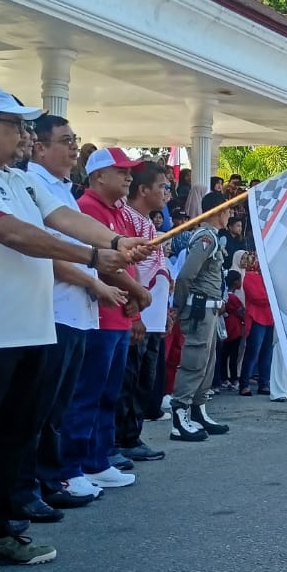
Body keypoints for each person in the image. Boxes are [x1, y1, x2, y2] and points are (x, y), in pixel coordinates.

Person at [0, 88, 141, 572]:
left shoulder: (20, 179)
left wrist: (114, 242)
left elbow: (62, 216)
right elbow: (11, 233)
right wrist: (94, 259)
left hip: (33, 327)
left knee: (16, 433)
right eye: (15, 125)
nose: (26, 135)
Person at [18, 115, 127, 516]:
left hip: (75, 311)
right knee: (43, 407)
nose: (72, 148)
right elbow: (46, 251)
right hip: (53, 310)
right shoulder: (31, 184)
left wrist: (116, 248)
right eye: (65, 141)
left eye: (74, 140)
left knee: (60, 404)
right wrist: (97, 280)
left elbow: (77, 234)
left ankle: (52, 477)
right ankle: (41, 480)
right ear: (40, 148)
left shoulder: (60, 190)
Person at [62, 148, 155, 490]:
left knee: (107, 392)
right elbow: (106, 264)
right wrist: (137, 292)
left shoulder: (117, 212)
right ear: (98, 175)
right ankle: (75, 464)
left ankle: (98, 458)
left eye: (130, 171)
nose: (129, 176)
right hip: (98, 314)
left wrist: (134, 296)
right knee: (88, 392)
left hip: (116, 314)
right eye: (121, 170)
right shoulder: (87, 209)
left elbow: (127, 260)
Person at [115, 162, 172, 462]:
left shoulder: (149, 224)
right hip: (137, 317)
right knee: (128, 380)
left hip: (154, 317)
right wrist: (134, 315)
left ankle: (132, 435)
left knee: (143, 380)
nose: (167, 192)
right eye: (162, 186)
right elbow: (129, 270)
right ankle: (120, 438)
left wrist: (165, 311)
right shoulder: (126, 220)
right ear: (143, 189)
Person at [169, 201, 233, 441]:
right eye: (227, 210)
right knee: (194, 362)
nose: (230, 215)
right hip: (199, 308)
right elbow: (186, 275)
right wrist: (178, 306)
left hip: (210, 309)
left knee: (207, 363)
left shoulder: (212, 237)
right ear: (216, 212)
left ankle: (198, 411)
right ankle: (180, 416)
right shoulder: (205, 237)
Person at [238, 251, 278, 399]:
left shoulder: (265, 277)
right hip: (257, 318)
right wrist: (273, 297)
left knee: (267, 353)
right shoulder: (249, 277)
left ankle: (264, 383)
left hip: (268, 318)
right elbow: (258, 297)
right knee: (252, 352)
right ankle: (244, 384)